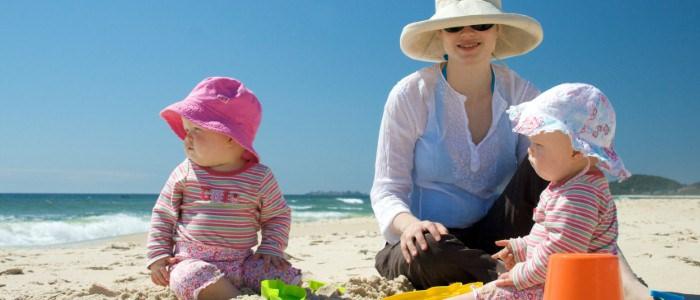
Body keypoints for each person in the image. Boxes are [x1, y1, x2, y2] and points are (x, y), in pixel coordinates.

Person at [371, 1, 650, 298]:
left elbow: (565, 179)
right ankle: (520, 279)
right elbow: (387, 189)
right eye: (454, 26)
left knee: (552, 158)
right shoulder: (411, 94)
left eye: (481, 24)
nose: (467, 33)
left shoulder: (522, 93)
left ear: (497, 30)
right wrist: (412, 225)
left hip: (503, 236)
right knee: (429, 252)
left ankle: (608, 270)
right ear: (440, 33)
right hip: (431, 241)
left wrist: (623, 272)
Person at [447, 83, 629, 299]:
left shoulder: (578, 196)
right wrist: (521, 246)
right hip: (562, 282)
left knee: (485, 295)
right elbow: (551, 236)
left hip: (572, 289)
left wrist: (520, 276)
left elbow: (561, 252)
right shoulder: (571, 185)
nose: (529, 150)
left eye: (538, 145)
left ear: (577, 150)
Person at [146, 77, 301, 300]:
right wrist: (159, 256)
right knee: (188, 278)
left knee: (285, 275)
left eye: (197, 130)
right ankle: (236, 296)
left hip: (243, 263)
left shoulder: (259, 177)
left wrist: (270, 248)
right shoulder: (184, 171)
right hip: (192, 260)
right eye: (186, 129)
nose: (186, 138)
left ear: (230, 136)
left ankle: (233, 291)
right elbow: (163, 214)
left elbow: (276, 216)